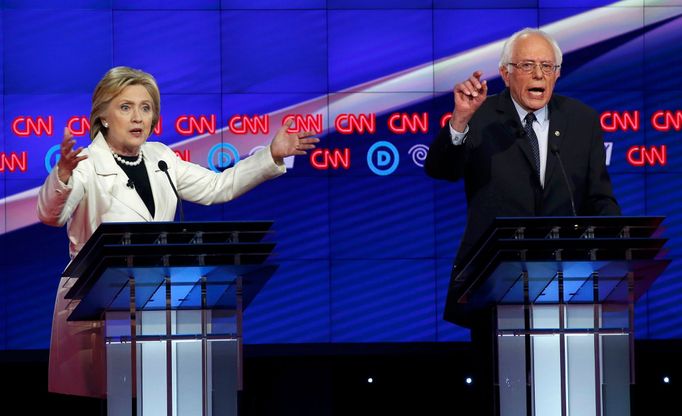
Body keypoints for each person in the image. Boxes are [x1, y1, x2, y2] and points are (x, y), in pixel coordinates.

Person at [37, 66, 319, 398]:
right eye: (125, 107)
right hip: (97, 311)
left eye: (146, 107)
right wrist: (63, 177)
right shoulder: (84, 166)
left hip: (155, 304)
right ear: (103, 117)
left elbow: (218, 187)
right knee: (110, 397)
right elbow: (50, 215)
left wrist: (270, 156)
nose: (138, 117)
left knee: (157, 398)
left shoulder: (162, 158)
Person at [425, 28, 620, 414]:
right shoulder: (480, 119)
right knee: (503, 398)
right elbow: (440, 169)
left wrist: (614, 250)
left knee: (565, 397)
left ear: (558, 74)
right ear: (506, 71)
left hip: (568, 287)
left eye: (547, 66)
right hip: (495, 288)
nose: (538, 75)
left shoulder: (581, 120)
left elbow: (600, 200)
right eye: (528, 65)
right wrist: (460, 120)